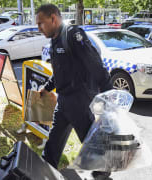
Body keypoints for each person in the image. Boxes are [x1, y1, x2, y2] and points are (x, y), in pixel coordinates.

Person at [36, 4, 113, 180]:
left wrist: (109, 91)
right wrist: (47, 88)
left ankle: (103, 174)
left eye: (41, 23)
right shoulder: (54, 40)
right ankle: (47, 169)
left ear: (53, 18)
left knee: (90, 141)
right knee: (54, 139)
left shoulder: (72, 35)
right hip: (64, 100)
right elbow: (60, 72)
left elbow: (94, 63)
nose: (39, 28)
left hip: (79, 99)